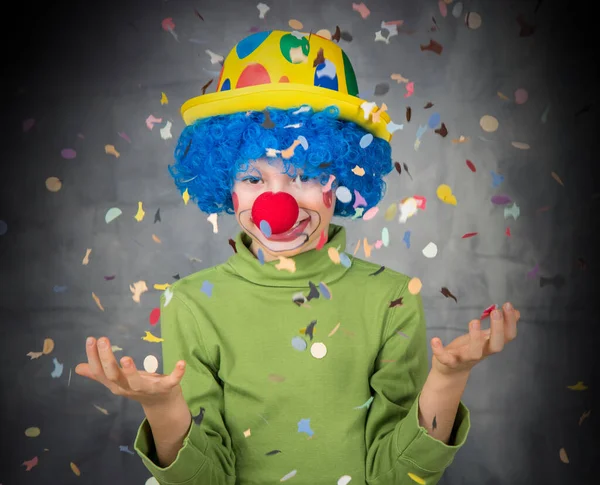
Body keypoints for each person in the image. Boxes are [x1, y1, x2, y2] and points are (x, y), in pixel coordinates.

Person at [75, 30, 520, 485]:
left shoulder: (392, 297)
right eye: (252, 177)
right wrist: (163, 408)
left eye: (304, 173)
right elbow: (206, 480)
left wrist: (447, 379)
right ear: (224, 184)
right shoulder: (191, 303)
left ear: (343, 179)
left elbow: (398, 476)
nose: (276, 203)